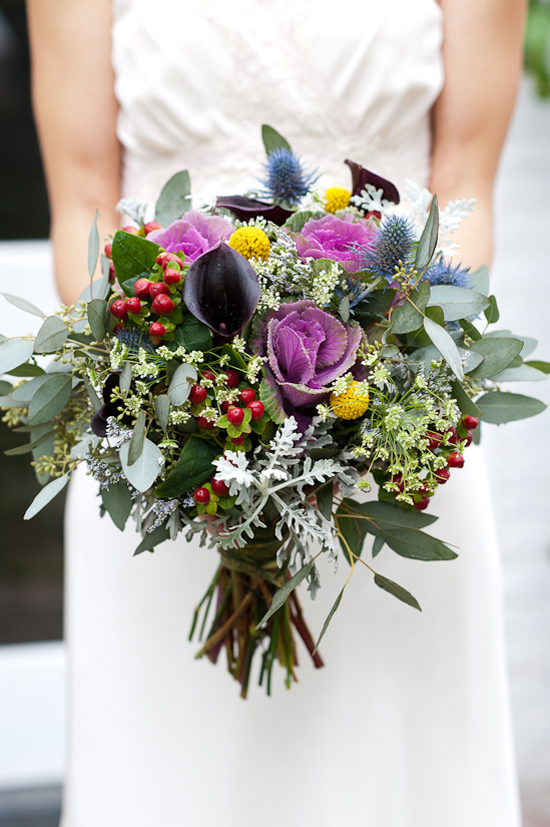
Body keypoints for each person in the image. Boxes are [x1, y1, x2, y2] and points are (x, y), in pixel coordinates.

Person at [27, 1, 527, 825]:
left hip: (386, 452)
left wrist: (376, 359)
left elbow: (465, 185)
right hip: (166, 432)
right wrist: (182, 387)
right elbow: (83, 198)